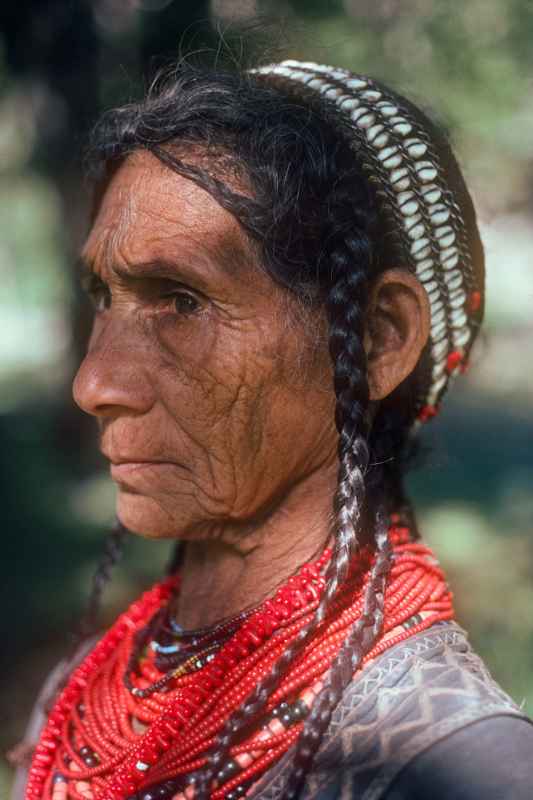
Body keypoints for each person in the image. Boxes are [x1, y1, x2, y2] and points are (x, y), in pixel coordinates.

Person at [13, 59, 533, 800]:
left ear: (376, 338)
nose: (94, 384)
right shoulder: (93, 685)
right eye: (105, 295)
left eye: (181, 300)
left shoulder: (453, 767)